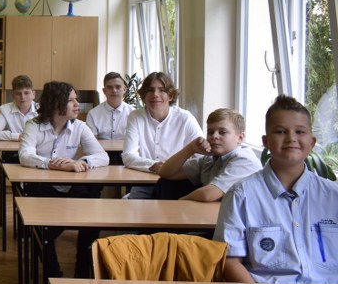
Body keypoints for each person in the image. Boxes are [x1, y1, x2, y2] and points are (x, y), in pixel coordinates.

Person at [214, 95, 338, 284]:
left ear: (312, 142)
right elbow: (230, 262)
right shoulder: (241, 194)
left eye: (300, 131)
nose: (291, 138)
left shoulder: (333, 196)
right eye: (280, 131)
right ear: (265, 141)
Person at [18, 81, 109, 279]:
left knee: (92, 222)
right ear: (55, 103)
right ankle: (53, 278)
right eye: (71, 100)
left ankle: (82, 273)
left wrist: (82, 162)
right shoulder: (33, 125)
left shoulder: (80, 127)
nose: (77, 104)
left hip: (71, 189)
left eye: (77, 99)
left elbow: (103, 156)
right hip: (42, 189)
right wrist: (51, 164)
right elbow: (25, 155)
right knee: (43, 232)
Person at [121, 71, 201, 199]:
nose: (155, 95)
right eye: (150, 90)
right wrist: (153, 165)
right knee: (132, 207)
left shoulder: (185, 118)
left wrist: (172, 169)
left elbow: (201, 156)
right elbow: (128, 156)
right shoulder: (136, 116)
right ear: (144, 95)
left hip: (177, 181)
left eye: (162, 90)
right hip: (144, 181)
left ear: (171, 96)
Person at [156, 108, 261, 201]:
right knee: (165, 183)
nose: (214, 136)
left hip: (245, 217)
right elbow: (165, 173)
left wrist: (181, 201)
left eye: (222, 132)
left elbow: (208, 194)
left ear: (240, 138)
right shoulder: (209, 159)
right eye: (210, 132)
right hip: (216, 213)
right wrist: (190, 149)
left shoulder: (245, 160)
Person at [84, 72, 133, 165]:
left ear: (124, 89)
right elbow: (91, 143)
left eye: (118, 87)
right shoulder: (93, 114)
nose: (114, 90)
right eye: (110, 87)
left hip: (127, 155)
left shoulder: (133, 113)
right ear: (104, 91)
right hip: (100, 155)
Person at [0, 74, 37, 141]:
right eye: (18, 94)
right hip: (12, 147)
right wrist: (18, 136)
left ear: (33, 94)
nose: (22, 97)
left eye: (26, 93)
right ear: (13, 96)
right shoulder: (6, 110)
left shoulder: (42, 110)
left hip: (37, 147)